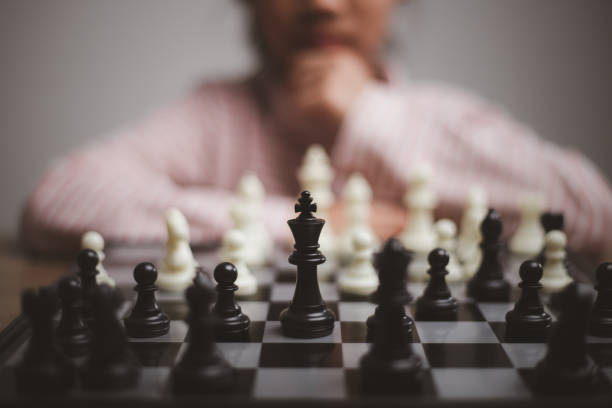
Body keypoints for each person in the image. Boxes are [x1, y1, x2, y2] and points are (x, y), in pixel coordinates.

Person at [20, 0, 612, 256]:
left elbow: (591, 213)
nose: (324, 5)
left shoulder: (441, 119)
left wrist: (368, 116)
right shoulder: (217, 116)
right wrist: (305, 226)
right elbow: (58, 201)